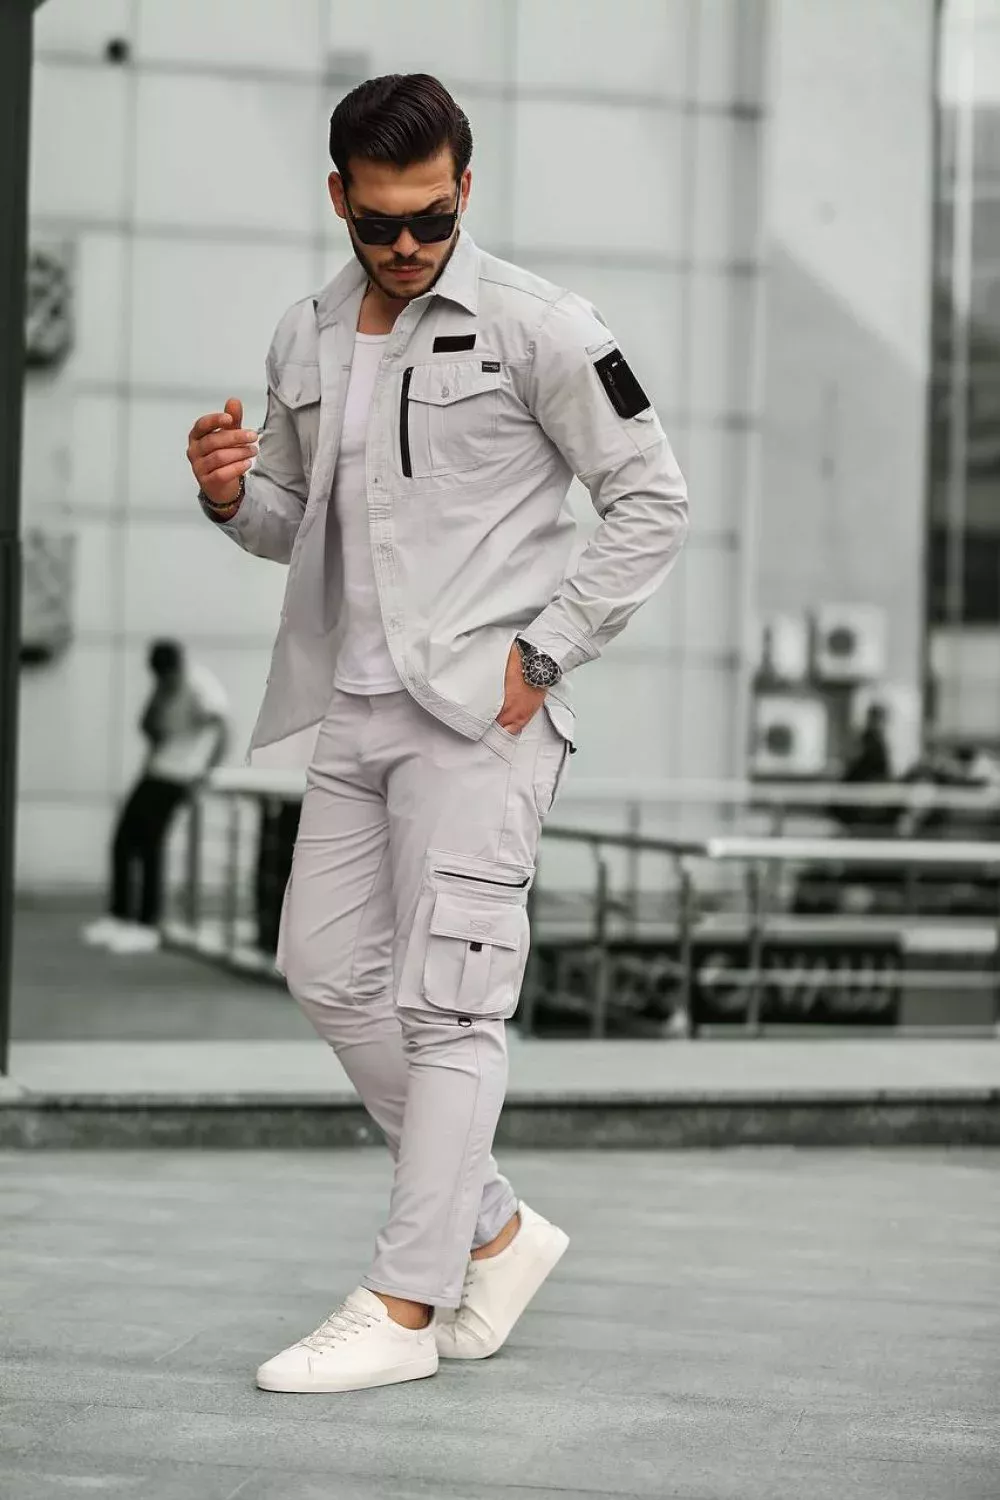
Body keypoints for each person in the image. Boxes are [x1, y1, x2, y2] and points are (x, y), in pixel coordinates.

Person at [186, 74, 688, 1395]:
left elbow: (651, 498)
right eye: (379, 223)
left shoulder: (541, 327)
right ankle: (496, 1230)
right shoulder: (305, 335)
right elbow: (294, 521)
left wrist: (547, 650)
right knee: (322, 971)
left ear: (466, 188)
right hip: (351, 707)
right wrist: (231, 497)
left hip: (481, 715)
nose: (407, 245)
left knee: (451, 1005)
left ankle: (407, 1305)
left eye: (431, 218)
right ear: (338, 198)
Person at [81, 639, 229, 954]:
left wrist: (206, 771)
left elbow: (223, 728)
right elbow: (147, 727)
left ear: (177, 667)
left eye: (168, 677)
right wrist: (158, 698)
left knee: (150, 845)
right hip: (156, 769)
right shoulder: (163, 688)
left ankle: (147, 923)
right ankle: (121, 916)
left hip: (179, 774)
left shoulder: (199, 685)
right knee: (123, 841)